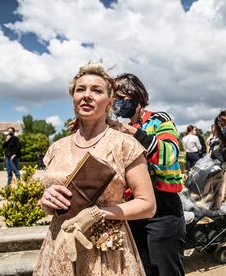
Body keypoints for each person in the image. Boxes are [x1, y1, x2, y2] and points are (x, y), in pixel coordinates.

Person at [34, 63, 156, 276]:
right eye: (81, 89)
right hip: (60, 245)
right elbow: (49, 207)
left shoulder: (125, 144)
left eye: (96, 90)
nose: (87, 95)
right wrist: (46, 201)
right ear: (73, 98)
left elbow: (147, 205)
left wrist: (99, 213)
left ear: (110, 102)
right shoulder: (57, 147)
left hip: (106, 250)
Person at [111, 73, 185, 276]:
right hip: (133, 207)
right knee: (143, 269)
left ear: (137, 96)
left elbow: (170, 153)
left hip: (164, 209)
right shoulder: (117, 130)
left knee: (167, 268)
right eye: (114, 99)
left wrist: (134, 134)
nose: (117, 104)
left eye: (122, 98)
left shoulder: (158, 119)